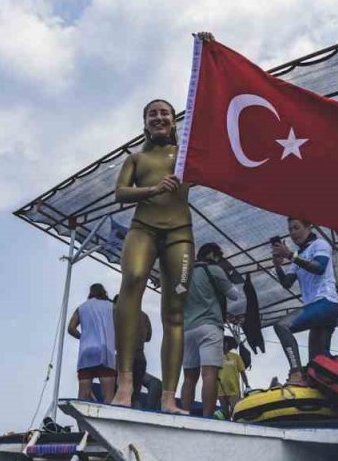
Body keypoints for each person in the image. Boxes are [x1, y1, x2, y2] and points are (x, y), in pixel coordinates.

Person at [112, 97, 194, 409]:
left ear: (174, 121)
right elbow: (120, 193)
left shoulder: (186, 156)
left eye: (165, 113)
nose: (159, 118)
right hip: (143, 227)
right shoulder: (135, 159)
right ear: (145, 122)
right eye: (152, 114)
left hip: (179, 233)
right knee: (131, 281)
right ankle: (126, 383)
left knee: (174, 310)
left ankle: (169, 398)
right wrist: (153, 189)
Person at [271, 218, 338, 382]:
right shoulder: (299, 256)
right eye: (290, 230)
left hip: (327, 301)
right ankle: (321, 388)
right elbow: (287, 283)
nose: (293, 233)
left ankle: (295, 373)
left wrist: (289, 255)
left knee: (282, 326)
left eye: (296, 227)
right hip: (319, 309)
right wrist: (277, 266)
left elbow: (319, 267)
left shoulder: (320, 245)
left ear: (309, 227)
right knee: (316, 366)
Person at [180, 243, 243, 416]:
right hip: (209, 327)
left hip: (187, 329)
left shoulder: (185, 273)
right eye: (219, 257)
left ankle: (185, 415)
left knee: (189, 377)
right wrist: (224, 274)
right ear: (212, 255)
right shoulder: (214, 269)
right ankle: (207, 417)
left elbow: (177, 293)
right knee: (209, 374)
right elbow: (234, 295)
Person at [67, 283, 117, 402]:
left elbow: (71, 328)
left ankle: (80, 419)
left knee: (83, 394)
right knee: (108, 396)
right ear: (104, 292)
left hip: (86, 352)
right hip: (105, 351)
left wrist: (83, 338)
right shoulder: (112, 306)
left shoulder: (82, 307)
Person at [218, 335, 249, 417]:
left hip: (234, 389)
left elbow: (242, 372)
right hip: (220, 389)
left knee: (235, 411)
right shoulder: (216, 357)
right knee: (225, 413)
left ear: (226, 344)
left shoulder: (236, 357)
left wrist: (247, 385)